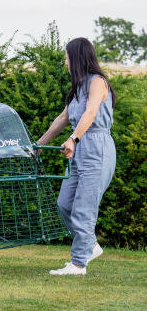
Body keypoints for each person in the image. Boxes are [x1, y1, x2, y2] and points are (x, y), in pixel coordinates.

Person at [36, 37, 116, 275]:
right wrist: (39, 144)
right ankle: (90, 245)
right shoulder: (78, 88)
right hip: (79, 149)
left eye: (67, 57)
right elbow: (62, 119)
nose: (65, 62)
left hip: (96, 148)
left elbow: (91, 112)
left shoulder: (97, 83)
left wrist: (74, 138)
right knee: (65, 205)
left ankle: (78, 264)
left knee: (84, 208)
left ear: (78, 58)